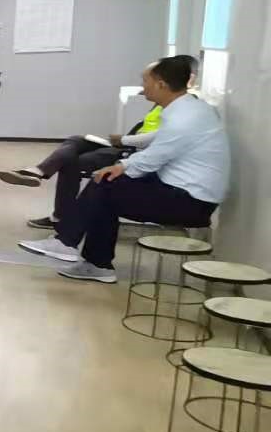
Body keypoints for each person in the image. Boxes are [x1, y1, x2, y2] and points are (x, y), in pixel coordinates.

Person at [19, 56, 228, 282]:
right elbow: (159, 140)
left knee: (105, 185)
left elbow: (155, 157)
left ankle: (70, 245)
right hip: (184, 190)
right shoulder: (190, 108)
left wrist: (121, 166)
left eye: (146, 81)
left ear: (161, 85)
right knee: (105, 184)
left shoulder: (183, 118)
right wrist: (123, 162)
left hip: (190, 201)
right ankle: (94, 262)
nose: (142, 86)